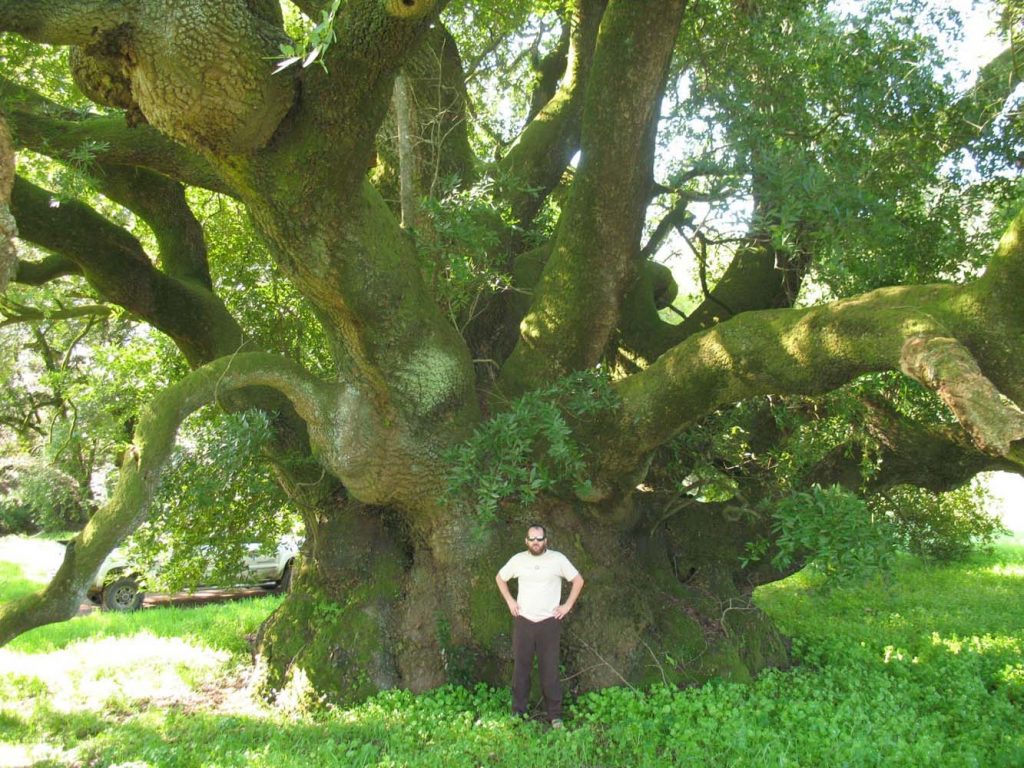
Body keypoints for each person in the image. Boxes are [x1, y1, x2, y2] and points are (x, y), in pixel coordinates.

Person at [495, 523, 584, 728]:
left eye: (539, 539)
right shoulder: (518, 560)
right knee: (521, 669)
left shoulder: (557, 559)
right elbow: (500, 578)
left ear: (546, 540)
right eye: (532, 539)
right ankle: (518, 712)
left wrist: (567, 606)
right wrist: (510, 601)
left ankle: (555, 715)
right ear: (526, 541)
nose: (536, 543)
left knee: (550, 670)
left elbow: (578, 580)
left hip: (549, 623)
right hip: (524, 621)